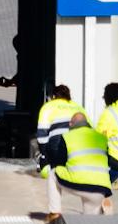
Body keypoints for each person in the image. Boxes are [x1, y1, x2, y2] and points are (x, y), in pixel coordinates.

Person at [40, 112, 114, 216]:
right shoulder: (102, 138)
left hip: (78, 183)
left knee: (53, 174)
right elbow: (109, 161)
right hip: (101, 188)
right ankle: (103, 211)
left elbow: (60, 162)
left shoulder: (67, 137)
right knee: (90, 220)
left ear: (71, 124)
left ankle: (54, 213)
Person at [36, 84, 89, 216]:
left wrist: (44, 156)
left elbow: (42, 134)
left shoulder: (48, 106)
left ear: (53, 96)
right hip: (80, 145)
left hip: (58, 142)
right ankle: (90, 210)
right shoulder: (78, 107)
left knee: (53, 174)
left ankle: (55, 212)